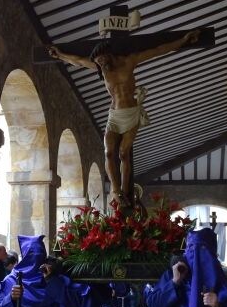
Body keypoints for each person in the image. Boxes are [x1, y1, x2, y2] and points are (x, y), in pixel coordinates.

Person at [48, 30, 199, 206]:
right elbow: (78, 61)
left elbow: (158, 50)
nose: (101, 64)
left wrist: (183, 41)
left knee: (123, 153)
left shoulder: (129, 62)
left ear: (109, 55)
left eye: (103, 60)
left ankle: (126, 191)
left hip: (130, 114)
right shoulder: (100, 67)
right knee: (109, 152)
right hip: (114, 115)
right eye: (98, 62)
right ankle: (116, 190)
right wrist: (59, 55)